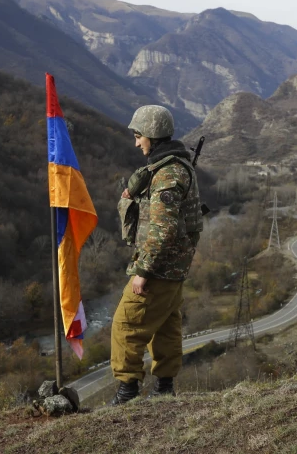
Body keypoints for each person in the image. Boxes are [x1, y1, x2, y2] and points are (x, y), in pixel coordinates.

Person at [111, 105, 202, 405]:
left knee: (126, 325)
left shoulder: (168, 174)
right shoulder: (172, 167)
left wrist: (143, 271)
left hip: (159, 268)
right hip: (173, 267)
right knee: (164, 326)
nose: (137, 143)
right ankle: (163, 390)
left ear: (152, 135)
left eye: (139, 136)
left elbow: (163, 229)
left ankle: (127, 394)